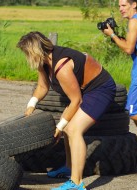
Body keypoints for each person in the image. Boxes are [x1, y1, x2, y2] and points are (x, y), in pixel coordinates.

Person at [17, 31, 116, 190]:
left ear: (34, 51)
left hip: (100, 89)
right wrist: (31, 106)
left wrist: (59, 126)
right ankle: (69, 168)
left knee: (72, 129)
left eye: (26, 53)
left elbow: (76, 100)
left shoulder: (61, 66)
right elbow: (43, 87)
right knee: (67, 128)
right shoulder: (44, 61)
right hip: (86, 90)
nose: (26, 57)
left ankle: (77, 183)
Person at [102, 0, 137, 151]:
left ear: (134, 5)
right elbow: (134, 45)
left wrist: (112, 34)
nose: (121, 9)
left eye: (124, 5)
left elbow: (128, 49)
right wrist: (117, 36)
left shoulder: (134, 22)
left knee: (133, 112)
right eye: (119, 6)